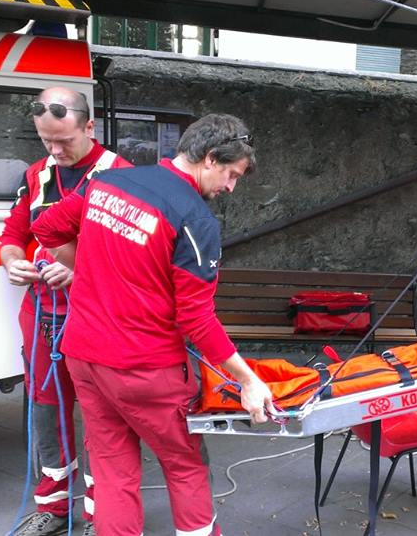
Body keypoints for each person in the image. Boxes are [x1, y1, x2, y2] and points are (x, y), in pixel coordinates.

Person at [32, 113, 273, 536]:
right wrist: (248, 379)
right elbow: (196, 317)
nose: (230, 187)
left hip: (84, 359)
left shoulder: (108, 181)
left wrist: (84, 269)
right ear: (210, 158)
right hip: (147, 370)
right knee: (185, 465)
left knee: (111, 472)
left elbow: (47, 227)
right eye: (231, 175)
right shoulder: (194, 218)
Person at [0, 86, 132, 536]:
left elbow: (133, 258)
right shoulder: (38, 174)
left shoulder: (121, 174)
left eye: (64, 142)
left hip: (99, 314)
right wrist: (12, 262)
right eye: (45, 141)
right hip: (42, 311)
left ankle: (101, 514)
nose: (55, 151)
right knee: (45, 406)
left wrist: (79, 274)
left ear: (89, 127)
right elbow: (12, 233)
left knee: (103, 413)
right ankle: (53, 507)